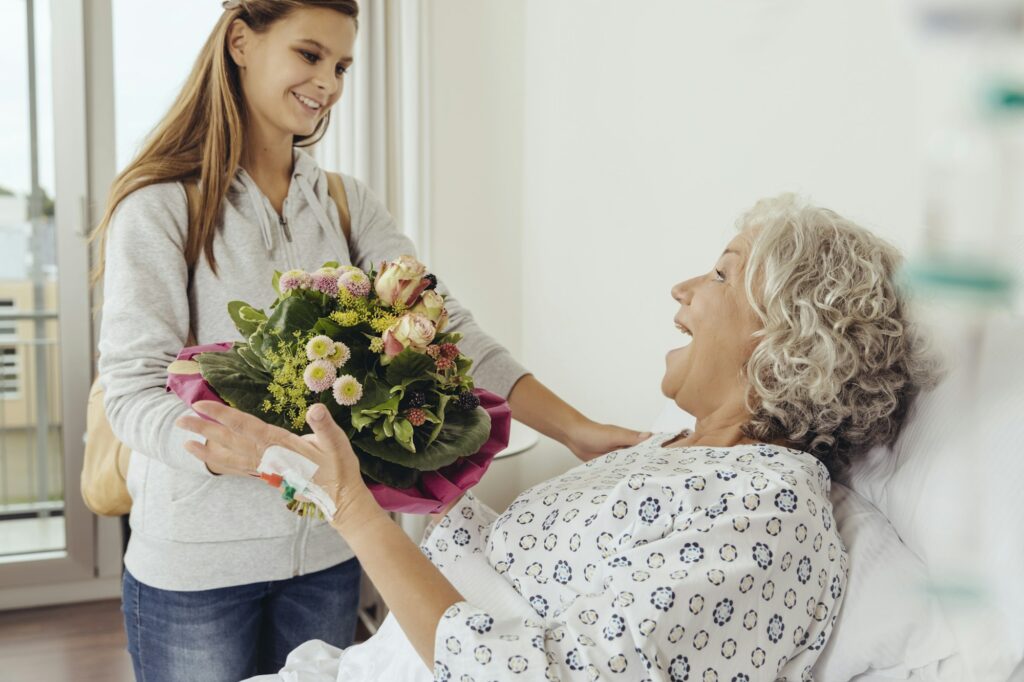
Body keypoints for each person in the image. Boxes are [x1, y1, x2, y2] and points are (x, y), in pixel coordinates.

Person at [94, 1, 645, 680]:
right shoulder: (161, 205)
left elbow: (450, 336)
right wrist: (226, 450)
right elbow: (130, 388)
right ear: (240, 41)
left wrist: (577, 429)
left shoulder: (346, 203)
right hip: (196, 568)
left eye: (342, 65)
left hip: (328, 561)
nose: (327, 81)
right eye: (309, 54)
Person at [180, 194, 941, 681]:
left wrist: (350, 504)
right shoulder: (669, 454)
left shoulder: (765, 513)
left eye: (718, 274)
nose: (681, 288)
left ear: (779, 334)